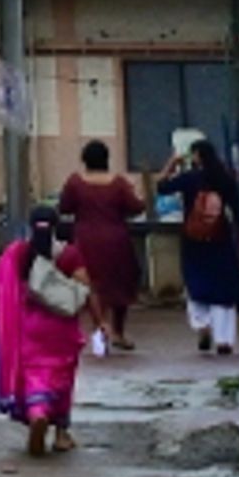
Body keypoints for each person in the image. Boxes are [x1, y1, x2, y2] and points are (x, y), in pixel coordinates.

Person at [0, 209, 94, 455]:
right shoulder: (68, 253)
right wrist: (99, 321)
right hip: (61, 328)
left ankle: (38, 414)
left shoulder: (18, 254)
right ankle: (61, 434)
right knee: (62, 378)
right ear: (57, 226)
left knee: (36, 376)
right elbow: (85, 287)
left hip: (28, 326)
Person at [57, 139, 147, 352]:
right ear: (107, 159)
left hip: (85, 239)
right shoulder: (119, 183)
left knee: (91, 285)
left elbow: (64, 207)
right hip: (117, 239)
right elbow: (136, 207)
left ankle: (100, 327)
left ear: (84, 160)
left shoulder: (75, 183)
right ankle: (119, 332)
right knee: (120, 283)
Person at [166, 132, 239, 357]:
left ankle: (202, 325)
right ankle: (224, 339)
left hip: (194, 242)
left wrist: (171, 163)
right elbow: (238, 212)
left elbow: (162, 188)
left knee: (196, 284)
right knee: (223, 290)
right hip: (220, 239)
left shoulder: (191, 178)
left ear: (197, 156)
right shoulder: (226, 178)